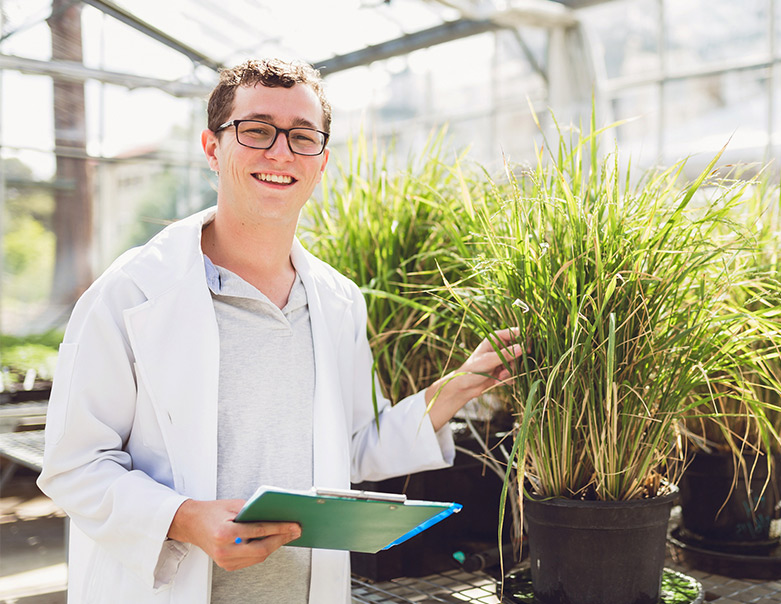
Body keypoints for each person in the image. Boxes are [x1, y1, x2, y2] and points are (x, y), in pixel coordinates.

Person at [36, 58, 521, 604]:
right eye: (257, 130)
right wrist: (186, 520)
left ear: (322, 162)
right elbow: (75, 465)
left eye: (302, 136)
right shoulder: (130, 294)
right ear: (212, 149)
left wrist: (454, 389)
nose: (281, 152)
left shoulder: (337, 302)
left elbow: (355, 445)